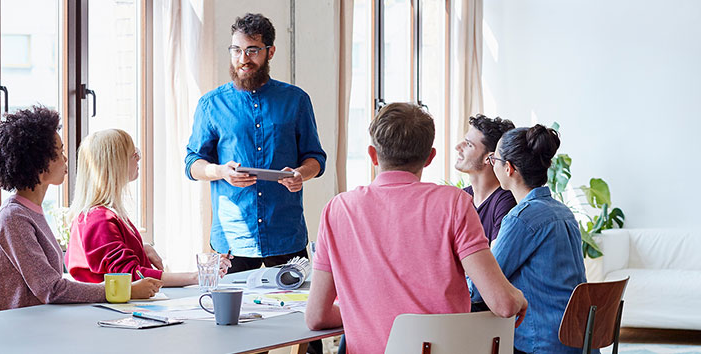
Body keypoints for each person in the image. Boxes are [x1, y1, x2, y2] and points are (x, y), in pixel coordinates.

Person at [305, 103, 528, 354]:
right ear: (430, 157)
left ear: (372, 155)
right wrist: (517, 298)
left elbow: (316, 316)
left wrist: (368, 316)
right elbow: (504, 305)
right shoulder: (454, 204)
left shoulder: (337, 210)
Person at [185, 13, 326, 272]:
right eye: (236, 50)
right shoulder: (211, 104)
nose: (243, 59)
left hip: (285, 234)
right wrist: (220, 171)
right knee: (229, 312)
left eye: (252, 50)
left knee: (296, 310)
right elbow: (192, 164)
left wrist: (300, 174)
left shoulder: (296, 100)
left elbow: (316, 158)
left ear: (269, 52)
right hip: (232, 239)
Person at [0, 107, 162, 312]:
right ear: (39, 164)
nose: (65, 159)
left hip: (40, 323)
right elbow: (51, 289)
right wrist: (123, 291)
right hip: (21, 330)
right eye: (59, 153)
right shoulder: (13, 217)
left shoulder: (31, 212)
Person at [469, 124, 593, 354]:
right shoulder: (563, 212)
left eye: (493, 159)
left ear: (509, 168)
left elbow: (480, 290)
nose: (490, 164)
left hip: (542, 343)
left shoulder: (521, 219)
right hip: (578, 339)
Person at [65, 129, 229, 286]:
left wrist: (141, 248)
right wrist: (196, 276)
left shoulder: (103, 215)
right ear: (116, 165)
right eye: (134, 155)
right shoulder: (100, 219)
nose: (138, 159)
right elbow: (131, 276)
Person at [455, 114, 517, 244]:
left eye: (468, 144)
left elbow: (497, 259)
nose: (458, 147)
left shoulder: (506, 201)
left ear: (489, 158)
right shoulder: (461, 197)